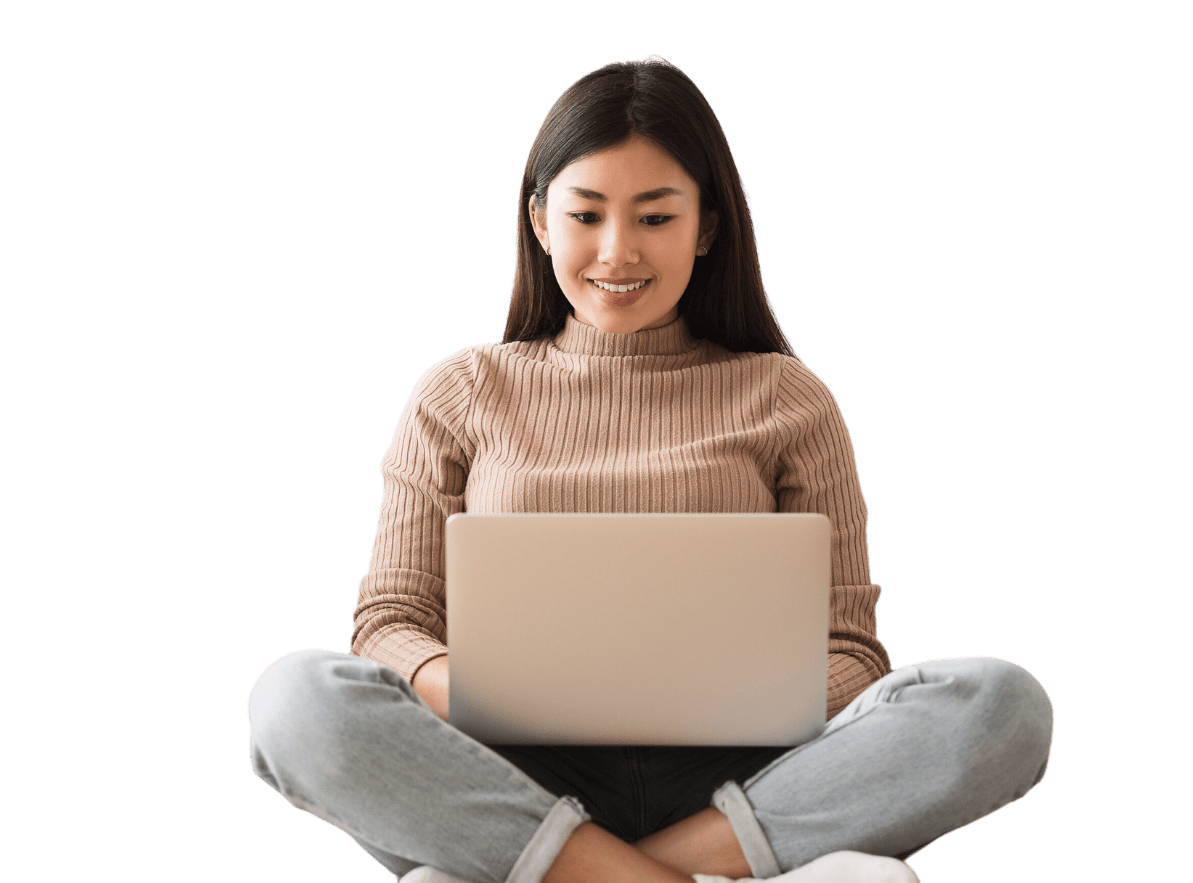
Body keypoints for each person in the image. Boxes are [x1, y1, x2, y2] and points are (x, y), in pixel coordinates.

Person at [247, 55, 1054, 883]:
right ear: (539, 221)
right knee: (296, 699)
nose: (616, 251)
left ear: (706, 227)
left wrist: (736, 696)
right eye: (586, 214)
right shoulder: (460, 392)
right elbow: (389, 624)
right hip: (511, 776)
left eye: (655, 219)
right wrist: (493, 693)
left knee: (1000, 705)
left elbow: (849, 653)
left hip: (743, 783)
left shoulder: (790, 398)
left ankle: (599, 873)